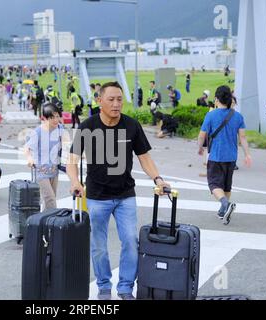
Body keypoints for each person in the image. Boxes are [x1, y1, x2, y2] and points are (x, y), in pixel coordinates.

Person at [67, 81, 170, 301]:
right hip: (96, 197)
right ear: (99, 101)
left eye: (119, 99)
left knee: (131, 241)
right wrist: (75, 181)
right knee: (98, 246)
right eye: (111, 99)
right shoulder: (87, 127)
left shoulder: (131, 126)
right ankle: (104, 286)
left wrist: (158, 179)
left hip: (125, 195)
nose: (116, 104)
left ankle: (125, 288)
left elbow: (145, 158)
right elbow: (72, 160)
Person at [198, 85, 252, 225]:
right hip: (231, 157)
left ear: (216, 99)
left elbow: (201, 135)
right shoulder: (238, 116)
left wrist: (200, 148)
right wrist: (247, 154)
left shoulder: (211, 115)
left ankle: (225, 204)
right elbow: (243, 137)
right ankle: (223, 211)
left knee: (214, 184)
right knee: (227, 186)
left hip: (216, 156)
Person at [25, 103, 64, 210]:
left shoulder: (60, 128)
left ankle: (44, 222)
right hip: (41, 171)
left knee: (50, 199)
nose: (56, 120)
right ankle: (52, 222)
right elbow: (27, 148)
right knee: (50, 198)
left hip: (54, 169)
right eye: (52, 117)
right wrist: (29, 158)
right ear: (45, 118)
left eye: (57, 116)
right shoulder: (37, 132)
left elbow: (64, 144)